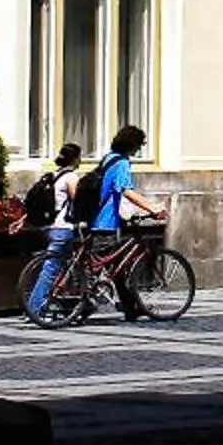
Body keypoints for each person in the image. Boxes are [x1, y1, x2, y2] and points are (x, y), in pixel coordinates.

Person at [81, 123, 167, 322]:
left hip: (97, 219)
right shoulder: (121, 164)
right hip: (106, 223)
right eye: (139, 145)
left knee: (117, 268)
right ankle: (84, 302)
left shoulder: (108, 158)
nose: (139, 149)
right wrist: (152, 208)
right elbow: (125, 190)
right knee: (102, 267)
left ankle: (129, 307)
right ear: (132, 144)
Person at [21, 142, 84, 322]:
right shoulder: (71, 177)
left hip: (49, 227)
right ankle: (34, 310)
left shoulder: (54, 176)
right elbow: (77, 201)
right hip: (64, 228)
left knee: (69, 266)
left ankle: (75, 306)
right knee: (51, 269)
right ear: (75, 158)